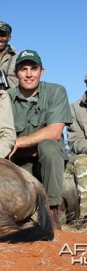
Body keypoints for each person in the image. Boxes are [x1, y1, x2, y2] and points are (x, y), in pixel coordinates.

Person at [8, 50, 72, 229]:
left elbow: (54, 132)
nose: (29, 74)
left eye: (33, 69)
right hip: (21, 163)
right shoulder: (5, 97)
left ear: (41, 72)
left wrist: (19, 142)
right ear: (16, 73)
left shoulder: (56, 91)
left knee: (49, 146)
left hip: (50, 162)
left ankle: (53, 212)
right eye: (23, 69)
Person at [67, 73, 87, 220]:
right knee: (81, 162)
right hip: (85, 155)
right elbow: (75, 141)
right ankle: (85, 217)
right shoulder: (74, 108)